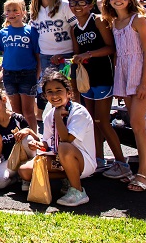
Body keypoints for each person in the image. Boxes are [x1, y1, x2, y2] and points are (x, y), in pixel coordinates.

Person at [101, 0, 146, 192]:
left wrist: (144, 83)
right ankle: (143, 169)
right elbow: (118, 54)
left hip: (140, 75)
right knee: (134, 125)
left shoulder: (138, 20)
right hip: (124, 74)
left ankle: (145, 172)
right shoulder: (114, 23)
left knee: (138, 124)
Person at [69, 0, 128, 180]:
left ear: (90, 4)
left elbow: (111, 48)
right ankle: (99, 158)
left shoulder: (98, 21)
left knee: (103, 121)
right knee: (92, 122)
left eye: (81, 2)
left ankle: (121, 162)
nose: (77, 7)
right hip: (87, 80)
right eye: (73, 3)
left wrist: (89, 54)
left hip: (103, 76)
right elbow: (76, 55)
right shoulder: (74, 28)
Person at [17, 69, 96, 207]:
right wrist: (38, 144)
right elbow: (47, 143)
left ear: (69, 93)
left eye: (58, 90)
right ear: (45, 95)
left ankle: (78, 191)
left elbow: (66, 140)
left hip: (83, 162)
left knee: (64, 147)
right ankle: (68, 178)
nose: (54, 95)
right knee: (24, 171)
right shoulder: (49, 115)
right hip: (60, 158)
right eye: (49, 92)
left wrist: (58, 117)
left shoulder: (79, 112)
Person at [0, 0, 41, 131]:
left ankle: (34, 139)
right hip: (9, 74)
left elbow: (37, 55)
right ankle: (20, 142)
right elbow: (5, 53)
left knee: (28, 112)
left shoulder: (31, 31)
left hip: (27, 74)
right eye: (8, 11)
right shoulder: (2, 32)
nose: (11, 13)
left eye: (15, 10)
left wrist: (37, 75)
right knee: (16, 112)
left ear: (23, 12)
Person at [29, 0, 77, 74]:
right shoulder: (35, 8)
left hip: (66, 54)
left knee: (67, 87)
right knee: (49, 87)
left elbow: (76, 28)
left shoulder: (64, 5)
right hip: (45, 55)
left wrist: (75, 53)